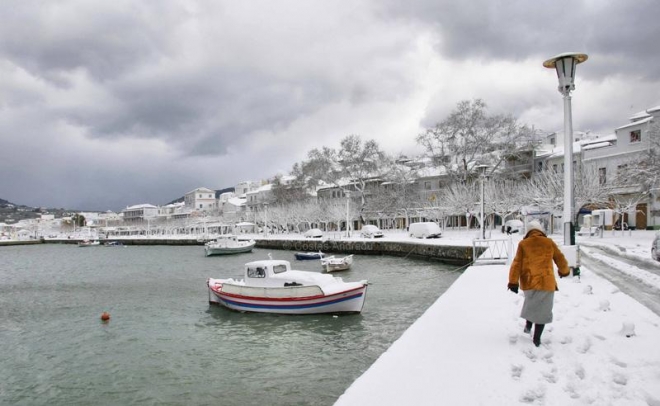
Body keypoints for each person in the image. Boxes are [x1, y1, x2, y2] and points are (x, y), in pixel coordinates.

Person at [507, 220, 570, 347]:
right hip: (546, 282)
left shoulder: (523, 244)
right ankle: (536, 339)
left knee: (531, 305)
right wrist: (564, 271)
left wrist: (513, 282)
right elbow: (560, 258)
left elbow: (516, 264)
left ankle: (528, 327)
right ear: (541, 230)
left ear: (528, 231)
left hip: (529, 282)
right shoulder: (549, 242)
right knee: (543, 311)